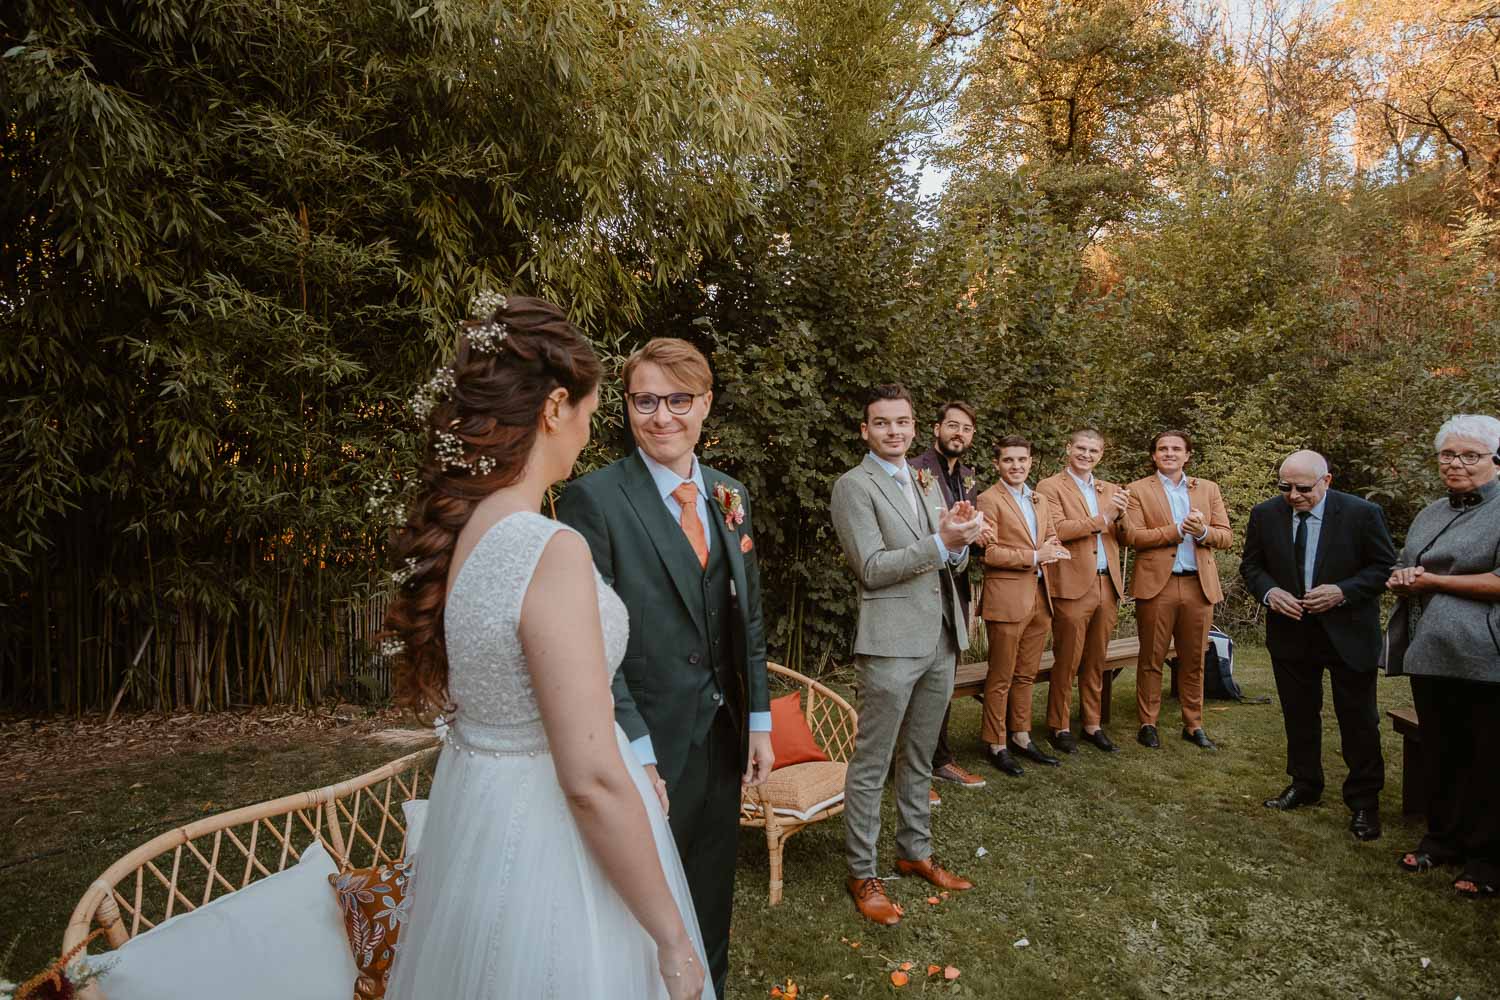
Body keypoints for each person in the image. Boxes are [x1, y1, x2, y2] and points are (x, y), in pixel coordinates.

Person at [384, 295, 708, 999]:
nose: (591, 432)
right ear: (555, 406)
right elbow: (589, 780)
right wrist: (673, 940)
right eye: (591, 412)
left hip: (483, 823)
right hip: (552, 851)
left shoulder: (470, 533)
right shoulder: (548, 549)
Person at [556, 338, 773, 997]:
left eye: (679, 400)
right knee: (637, 907)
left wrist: (759, 718)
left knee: (711, 890)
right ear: (626, 406)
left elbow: (749, 618)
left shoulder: (729, 495)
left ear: (705, 404)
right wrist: (636, 751)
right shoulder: (592, 500)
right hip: (642, 744)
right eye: (645, 400)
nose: (662, 416)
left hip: (721, 737)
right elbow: (591, 641)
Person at [830, 383, 980, 926]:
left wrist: (959, 543)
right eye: (882, 422)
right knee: (872, 765)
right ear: (864, 430)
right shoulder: (853, 486)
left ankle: (914, 852)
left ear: (915, 427)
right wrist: (940, 544)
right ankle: (862, 871)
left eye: (903, 422)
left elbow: (950, 564)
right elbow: (871, 567)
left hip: (941, 637)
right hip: (890, 643)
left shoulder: (925, 479)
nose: (894, 430)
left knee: (919, 758)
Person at [1240, 450, 1395, 841]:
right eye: (1285, 487)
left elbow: (1382, 568)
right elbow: (1251, 567)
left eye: (1303, 488)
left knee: (1358, 720)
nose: (1293, 496)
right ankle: (1305, 783)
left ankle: (1363, 802)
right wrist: (1269, 592)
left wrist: (1343, 591)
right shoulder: (1265, 514)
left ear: (1326, 481)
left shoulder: (1362, 514)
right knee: (1298, 714)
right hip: (1291, 631)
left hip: (1348, 633)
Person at [1385, 414, 1500, 898]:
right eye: (1448, 455)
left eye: (1469, 455)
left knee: (1488, 757)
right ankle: (1442, 838)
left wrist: (1434, 582)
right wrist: (1401, 576)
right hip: (1431, 651)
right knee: (1442, 749)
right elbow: (1411, 561)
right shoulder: (1431, 511)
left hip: (1486, 656)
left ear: (1496, 459)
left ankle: (1488, 857)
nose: (1456, 464)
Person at [1122, 430, 1232, 750]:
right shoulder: (1137, 490)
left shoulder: (1208, 489)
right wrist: (1175, 530)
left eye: (1176, 449)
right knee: (1151, 657)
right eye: (1162, 449)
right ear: (1154, 456)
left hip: (1199, 586)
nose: (1169, 453)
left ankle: (1193, 724)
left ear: (1188, 455)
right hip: (1158, 585)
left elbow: (1226, 536)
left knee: (1194, 658)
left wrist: (1203, 532)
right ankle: (1148, 723)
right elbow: (1134, 537)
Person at [974, 436, 1071, 776]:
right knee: (1000, 676)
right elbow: (990, 553)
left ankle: (1021, 735)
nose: (1016, 466)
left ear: (1031, 461)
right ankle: (996, 743)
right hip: (1006, 600)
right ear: (997, 464)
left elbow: (1049, 535)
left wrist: (1052, 546)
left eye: (1022, 459)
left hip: (1040, 600)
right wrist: (1035, 556)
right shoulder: (988, 500)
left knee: (1026, 675)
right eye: (1008, 460)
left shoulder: (1039, 498)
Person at [909, 401, 988, 792]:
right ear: (937, 428)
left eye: (967, 429)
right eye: (952, 426)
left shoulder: (969, 477)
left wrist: (978, 536)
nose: (959, 433)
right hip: (920, 584)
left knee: (944, 680)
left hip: (955, 585)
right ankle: (914, 770)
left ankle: (939, 760)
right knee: (917, 681)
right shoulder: (915, 470)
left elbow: (963, 529)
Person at [1035, 428, 1129, 754]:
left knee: (1096, 659)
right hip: (1073, 584)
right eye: (1081, 448)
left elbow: (1124, 534)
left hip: (1107, 582)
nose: (1086, 455)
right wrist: (1104, 517)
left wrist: (1123, 516)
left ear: (1101, 455)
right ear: (1068, 448)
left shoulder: (1110, 489)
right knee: (1067, 659)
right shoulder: (1049, 487)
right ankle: (1058, 725)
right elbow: (1058, 530)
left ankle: (1092, 723)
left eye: (1093, 451)